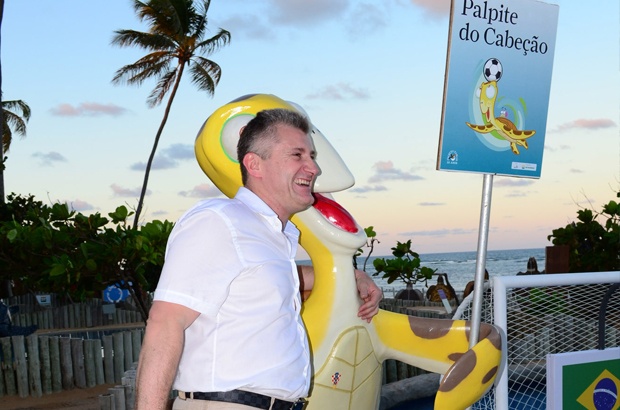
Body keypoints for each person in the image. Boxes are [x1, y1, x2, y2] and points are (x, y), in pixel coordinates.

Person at [135, 108, 383, 410]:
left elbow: (272, 276)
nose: (314, 168)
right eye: (298, 155)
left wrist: (351, 277)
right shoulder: (220, 221)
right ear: (254, 164)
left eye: (312, 156)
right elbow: (165, 322)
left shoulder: (272, 236)